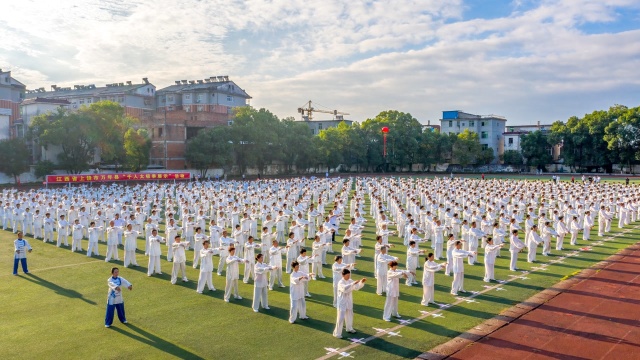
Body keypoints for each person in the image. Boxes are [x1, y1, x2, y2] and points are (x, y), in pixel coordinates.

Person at [333, 268, 366, 338]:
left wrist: (361, 282)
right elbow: (345, 289)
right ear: (343, 275)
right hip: (342, 302)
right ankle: (337, 333)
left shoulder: (350, 280)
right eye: (347, 275)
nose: (348, 276)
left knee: (350, 315)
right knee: (340, 317)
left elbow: (356, 287)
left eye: (349, 275)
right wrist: (352, 283)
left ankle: (349, 328)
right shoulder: (340, 282)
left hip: (349, 301)